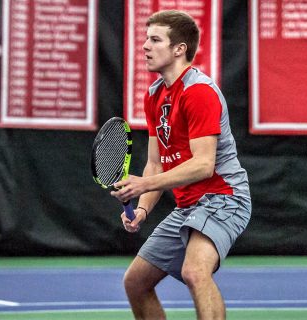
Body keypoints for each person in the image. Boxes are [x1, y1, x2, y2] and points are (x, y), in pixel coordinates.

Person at [111, 10, 251, 320]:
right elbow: (155, 165)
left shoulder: (198, 92)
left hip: (224, 198)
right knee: (136, 282)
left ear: (179, 49)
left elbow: (203, 165)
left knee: (194, 271)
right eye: (146, 38)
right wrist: (144, 208)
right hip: (188, 206)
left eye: (155, 39)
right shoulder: (154, 96)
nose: (145, 46)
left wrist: (142, 185)